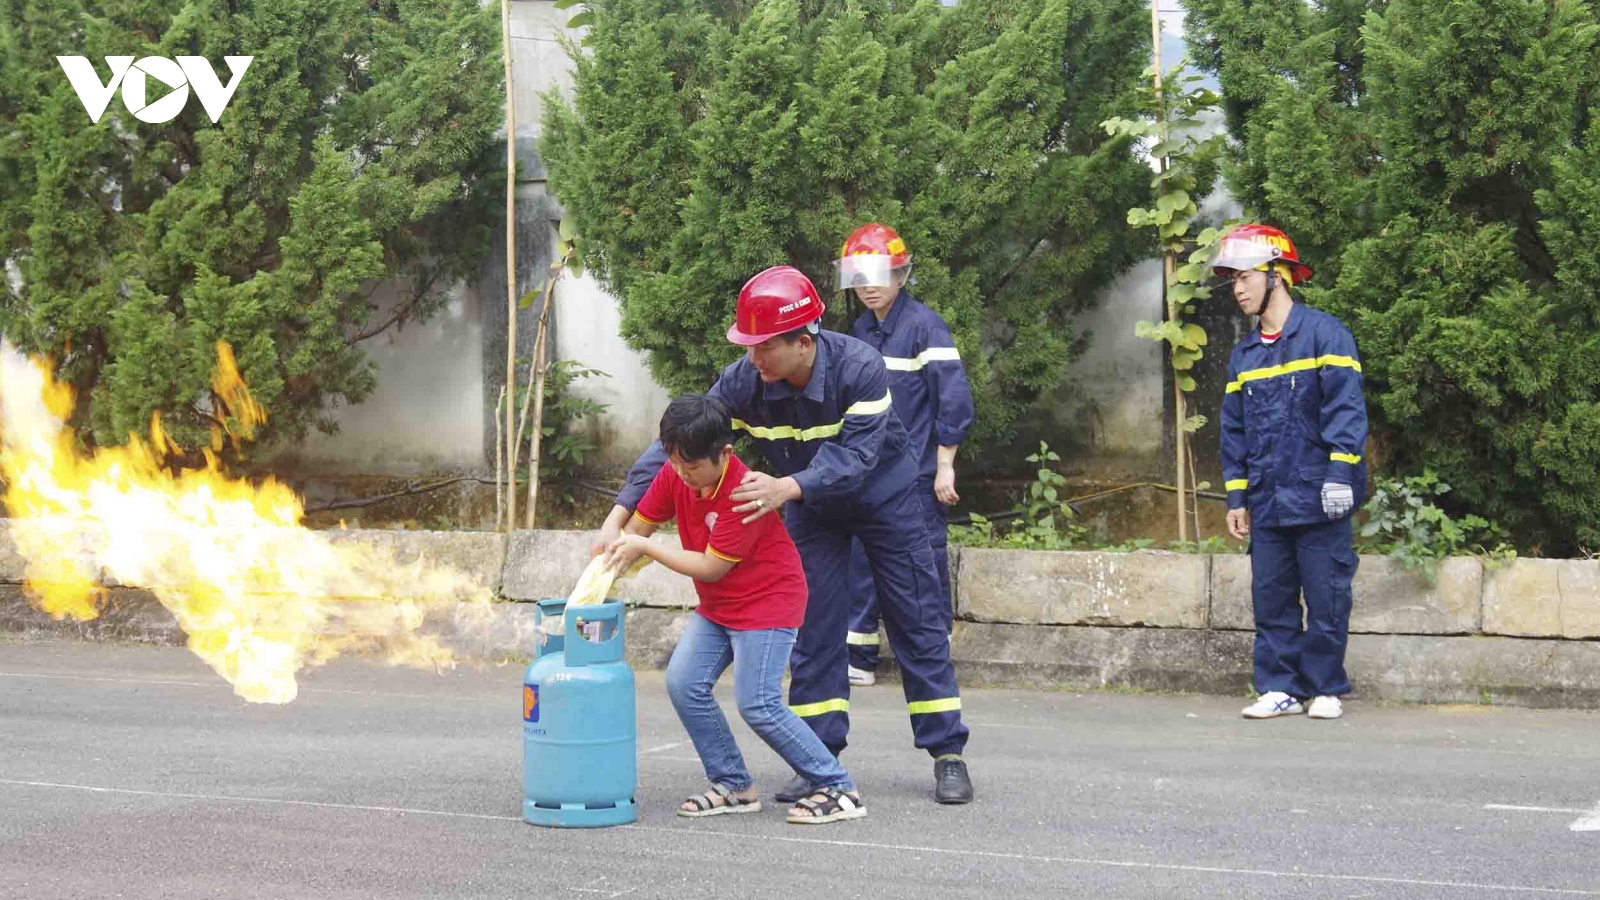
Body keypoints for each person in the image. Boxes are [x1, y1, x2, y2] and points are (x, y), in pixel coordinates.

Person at [591, 265, 975, 805]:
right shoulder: (748, 380)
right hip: (808, 504)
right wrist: (620, 512)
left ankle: (947, 753)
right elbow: (681, 441)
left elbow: (859, 457)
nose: (753, 359)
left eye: (764, 347)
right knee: (815, 633)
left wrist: (788, 486)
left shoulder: (860, 367)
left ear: (803, 340)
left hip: (887, 499)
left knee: (916, 620)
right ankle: (820, 757)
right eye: (747, 347)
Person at [604, 394, 864, 824]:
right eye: (675, 463)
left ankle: (838, 787)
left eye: (692, 466)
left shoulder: (745, 492)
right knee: (684, 683)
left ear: (724, 453)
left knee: (758, 703)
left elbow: (709, 567)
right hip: (720, 606)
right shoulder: (676, 473)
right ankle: (734, 785)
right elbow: (638, 526)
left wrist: (646, 547)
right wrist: (609, 558)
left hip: (768, 602)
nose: (683, 475)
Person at [1213, 223, 1370, 722]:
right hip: (1269, 497)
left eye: (1244, 277)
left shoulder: (1326, 334)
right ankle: (1280, 687)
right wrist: (1237, 498)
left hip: (1320, 493)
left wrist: (1341, 474)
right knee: (1272, 597)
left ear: (1276, 276)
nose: (1236, 289)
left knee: (1326, 595)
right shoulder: (1244, 355)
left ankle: (1325, 686)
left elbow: (1347, 410)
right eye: (1232, 280)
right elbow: (1233, 433)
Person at [836, 223, 974, 687]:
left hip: (916, 474)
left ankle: (933, 652)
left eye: (878, 274)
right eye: (860, 276)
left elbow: (953, 401)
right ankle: (859, 657)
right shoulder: (861, 330)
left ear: (901, 274)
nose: (869, 286)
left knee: (921, 560)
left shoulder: (925, 328)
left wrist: (945, 466)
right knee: (861, 559)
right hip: (869, 474)